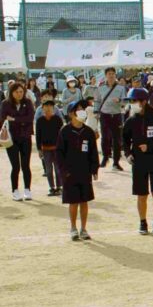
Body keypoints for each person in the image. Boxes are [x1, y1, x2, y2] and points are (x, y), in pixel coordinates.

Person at [122, 87, 153, 236]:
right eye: (131, 101)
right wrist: (128, 154)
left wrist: (149, 146)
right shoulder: (131, 120)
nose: (132, 104)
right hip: (139, 161)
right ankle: (143, 222)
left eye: (134, 101)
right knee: (141, 194)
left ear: (143, 101)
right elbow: (124, 140)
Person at [56, 101, 99, 241]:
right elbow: (59, 154)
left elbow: (93, 152)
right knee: (73, 202)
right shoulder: (65, 131)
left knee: (84, 201)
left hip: (85, 171)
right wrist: (64, 171)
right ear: (71, 114)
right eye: (78, 109)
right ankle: (73, 228)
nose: (82, 112)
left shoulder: (88, 132)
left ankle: (84, 229)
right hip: (70, 172)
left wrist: (94, 168)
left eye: (82, 109)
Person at [2, 83, 35, 201]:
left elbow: (30, 118)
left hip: (25, 137)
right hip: (11, 138)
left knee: (26, 165)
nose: (19, 94)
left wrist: (14, 119)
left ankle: (27, 189)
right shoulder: (5, 103)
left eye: (21, 91)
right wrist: (21, 121)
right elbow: (3, 117)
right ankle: (15, 190)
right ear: (11, 92)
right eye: (16, 92)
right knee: (15, 166)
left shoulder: (28, 102)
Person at [96, 67, 126, 171]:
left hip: (116, 115)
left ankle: (116, 162)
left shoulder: (121, 88)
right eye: (109, 74)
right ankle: (105, 157)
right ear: (106, 75)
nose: (111, 75)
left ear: (115, 75)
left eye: (113, 73)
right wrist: (96, 112)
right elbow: (97, 101)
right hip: (105, 115)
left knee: (117, 139)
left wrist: (119, 101)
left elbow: (125, 101)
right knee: (105, 138)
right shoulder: (100, 88)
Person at [37, 100, 64, 197]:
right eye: (46, 106)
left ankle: (59, 187)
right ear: (42, 108)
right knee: (48, 170)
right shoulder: (40, 121)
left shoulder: (58, 119)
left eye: (50, 106)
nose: (48, 108)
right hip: (45, 149)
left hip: (57, 148)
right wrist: (39, 149)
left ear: (53, 108)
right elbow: (38, 135)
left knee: (58, 169)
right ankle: (51, 187)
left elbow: (62, 134)